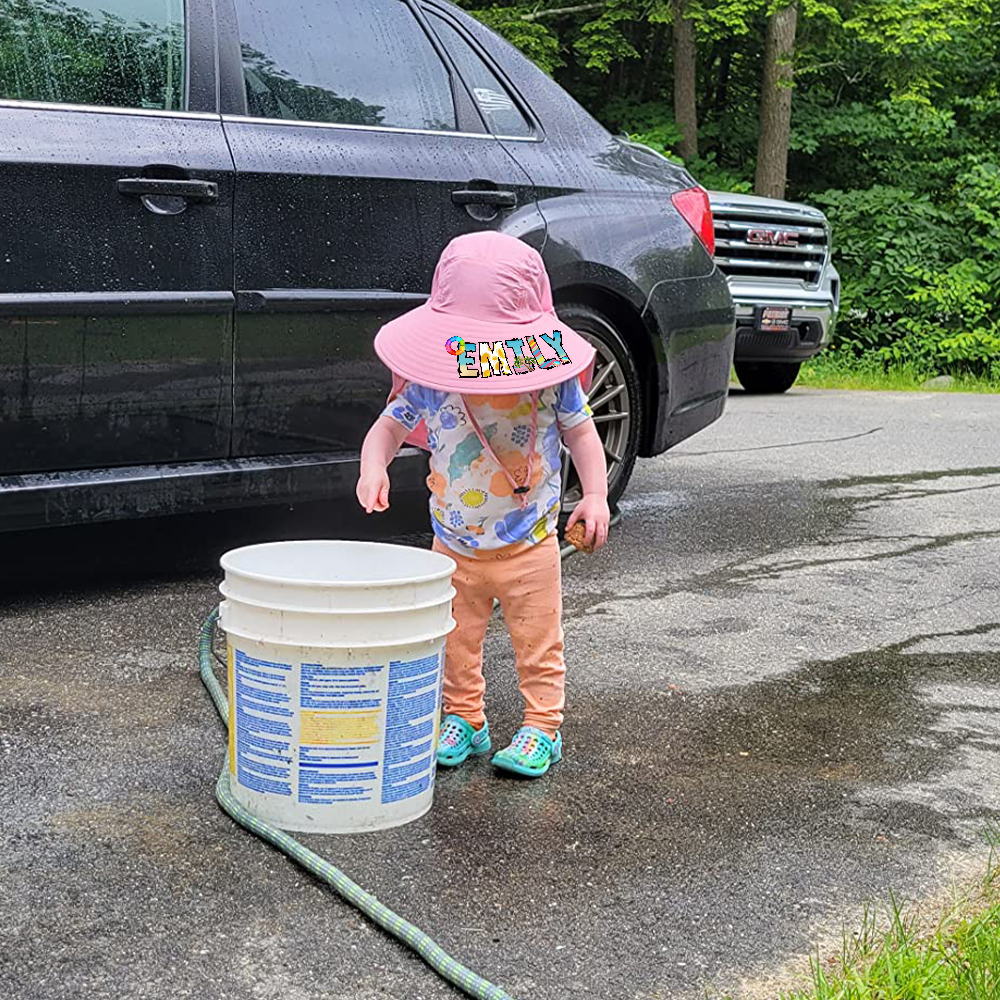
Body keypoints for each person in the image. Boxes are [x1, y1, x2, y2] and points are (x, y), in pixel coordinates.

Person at [356, 232, 610, 778]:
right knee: (454, 640)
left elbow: (583, 436)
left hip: (531, 541)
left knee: (538, 643)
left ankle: (543, 726)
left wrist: (594, 495)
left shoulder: (550, 378)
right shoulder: (434, 379)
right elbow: (388, 427)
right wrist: (373, 464)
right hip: (453, 542)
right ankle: (466, 718)